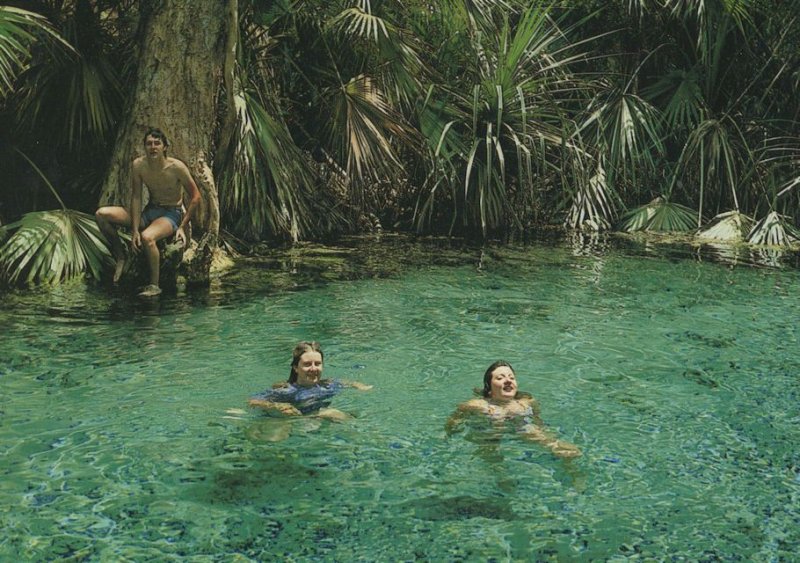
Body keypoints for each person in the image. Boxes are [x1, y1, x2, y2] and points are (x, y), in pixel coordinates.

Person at [95, 127, 202, 297]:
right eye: (149, 144)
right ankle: (121, 256)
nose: (153, 147)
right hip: (150, 210)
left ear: (164, 147)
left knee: (147, 238)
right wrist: (135, 229)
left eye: (157, 143)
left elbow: (196, 196)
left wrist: (182, 226)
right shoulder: (139, 165)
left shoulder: (176, 167)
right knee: (102, 214)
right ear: (144, 147)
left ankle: (154, 285)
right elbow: (136, 197)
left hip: (171, 213)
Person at [446, 360, 581, 459]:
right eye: (500, 378)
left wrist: (550, 440)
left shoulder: (526, 403)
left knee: (567, 451)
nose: (508, 381)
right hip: (489, 436)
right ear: (489, 388)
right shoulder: (476, 405)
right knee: (491, 454)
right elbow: (454, 421)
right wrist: (449, 435)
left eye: (511, 377)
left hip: (520, 429)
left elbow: (538, 423)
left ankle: (573, 474)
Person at [247, 341, 371, 439]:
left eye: (317, 364)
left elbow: (345, 382)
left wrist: (360, 386)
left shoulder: (327, 385)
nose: (314, 368)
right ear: (296, 368)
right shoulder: (287, 390)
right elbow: (253, 401)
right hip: (288, 420)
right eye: (307, 364)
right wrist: (277, 406)